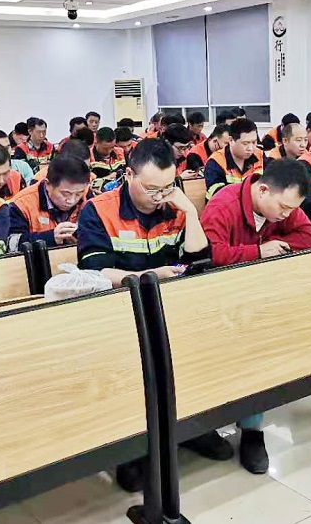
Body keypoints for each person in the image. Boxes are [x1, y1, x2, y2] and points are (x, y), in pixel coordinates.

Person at [199, 158, 311, 472]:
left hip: (271, 291)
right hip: (229, 303)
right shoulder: (223, 206)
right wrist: (257, 252)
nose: (286, 214)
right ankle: (252, 430)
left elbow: (309, 236)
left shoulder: (283, 203)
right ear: (263, 190)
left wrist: (274, 243)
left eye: (291, 209)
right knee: (256, 349)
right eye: (283, 208)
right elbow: (208, 256)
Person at [77, 137, 227, 490]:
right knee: (134, 374)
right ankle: (132, 449)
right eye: (151, 189)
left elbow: (199, 261)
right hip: (121, 313)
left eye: (167, 187)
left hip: (172, 306)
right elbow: (96, 272)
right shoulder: (99, 210)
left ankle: (190, 427)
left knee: (196, 353)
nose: (159, 197)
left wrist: (191, 212)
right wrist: (150, 276)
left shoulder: (175, 206)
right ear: (129, 175)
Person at [8, 154, 92, 249]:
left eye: (78, 194)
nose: (71, 200)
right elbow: (12, 245)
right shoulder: (22, 204)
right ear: (48, 184)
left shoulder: (87, 196)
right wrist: (50, 237)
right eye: (65, 193)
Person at [203, 118, 265, 199]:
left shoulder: (260, 155)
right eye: (245, 143)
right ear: (231, 140)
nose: (251, 148)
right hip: (223, 205)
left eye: (254, 142)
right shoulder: (216, 162)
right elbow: (219, 196)